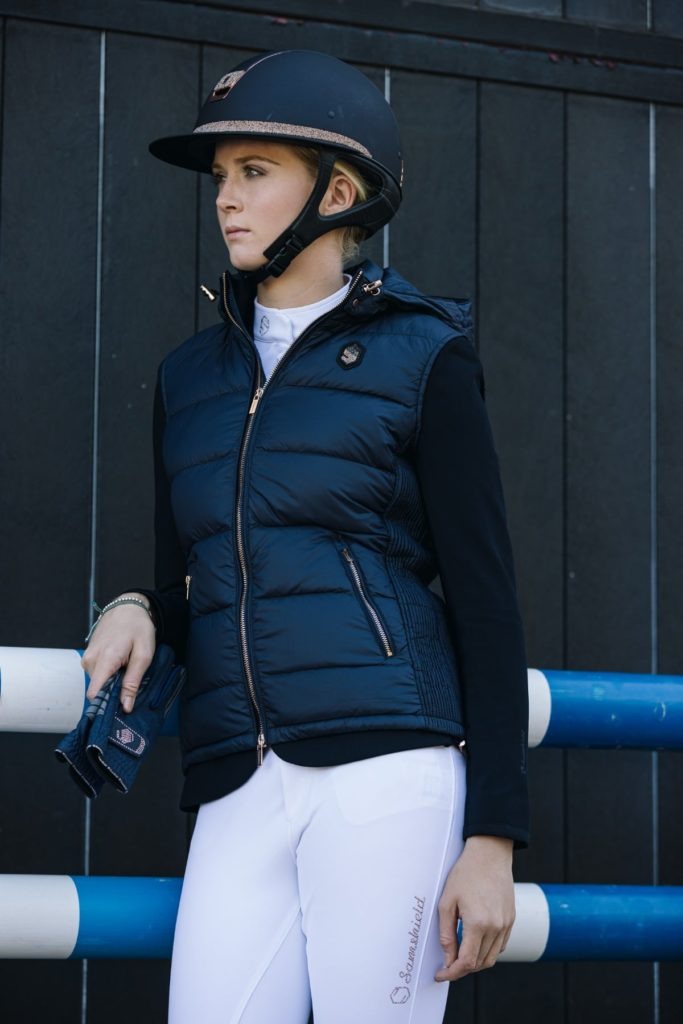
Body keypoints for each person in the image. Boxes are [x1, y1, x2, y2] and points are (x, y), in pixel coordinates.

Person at [81, 49, 529, 1024]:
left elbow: (486, 604)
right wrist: (135, 606)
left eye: (254, 171)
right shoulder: (189, 380)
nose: (225, 198)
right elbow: (192, 581)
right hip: (236, 779)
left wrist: (492, 836)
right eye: (220, 175)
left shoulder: (425, 357)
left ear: (335, 191)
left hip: (386, 774)